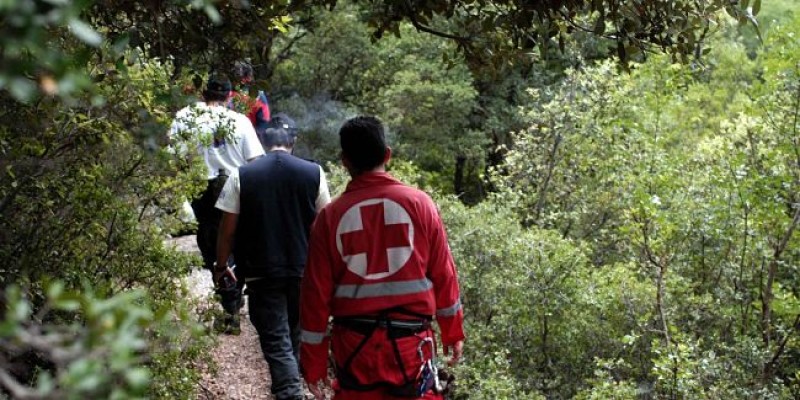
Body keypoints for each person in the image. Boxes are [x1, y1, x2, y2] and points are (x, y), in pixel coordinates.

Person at [299, 116, 465, 399]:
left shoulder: (329, 218)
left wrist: (313, 364)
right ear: (387, 154)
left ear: (344, 161)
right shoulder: (420, 204)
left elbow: (314, 297)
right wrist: (452, 332)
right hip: (412, 347)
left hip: (354, 351)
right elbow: (443, 274)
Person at [215, 127, 331, 400]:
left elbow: (227, 229)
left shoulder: (242, 174)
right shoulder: (314, 172)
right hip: (304, 271)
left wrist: (221, 266)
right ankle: (293, 386)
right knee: (295, 334)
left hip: (261, 273)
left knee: (277, 341)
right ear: (293, 142)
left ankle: (290, 392)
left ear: (263, 143)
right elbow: (324, 223)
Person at [169, 74, 265, 334]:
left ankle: (228, 304)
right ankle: (231, 303)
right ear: (229, 96)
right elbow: (256, 161)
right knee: (235, 242)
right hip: (234, 187)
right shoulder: (240, 121)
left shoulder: (184, 117)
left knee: (212, 246)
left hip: (201, 187)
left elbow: (175, 160)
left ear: (204, 94)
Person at [229, 60, 271, 130]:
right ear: (249, 77)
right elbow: (264, 123)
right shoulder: (259, 96)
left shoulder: (225, 94)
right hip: (250, 136)